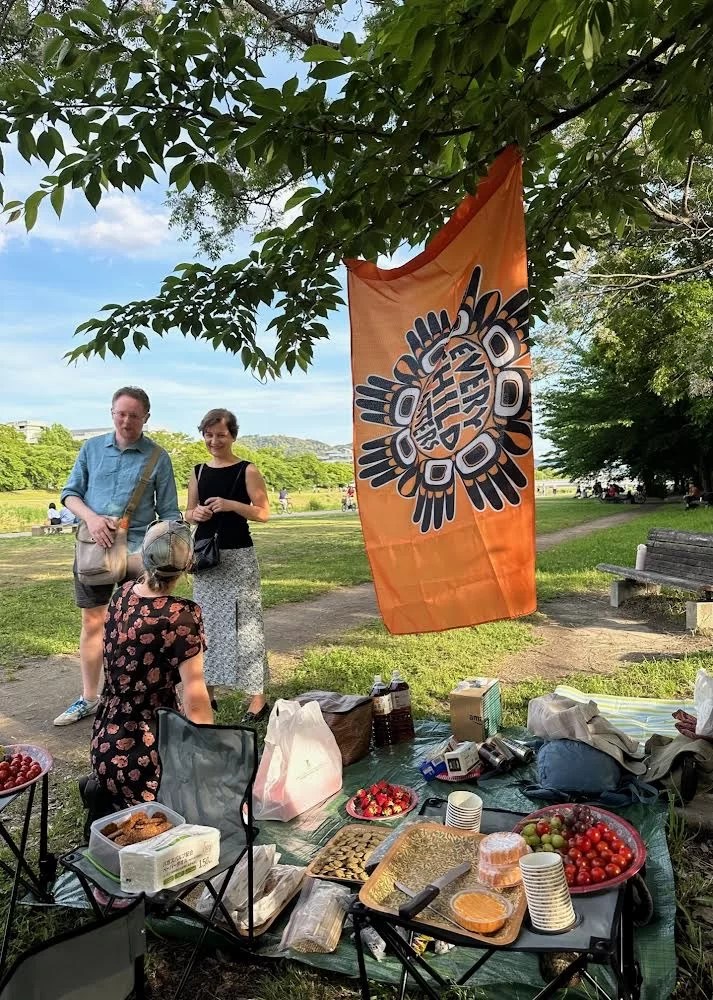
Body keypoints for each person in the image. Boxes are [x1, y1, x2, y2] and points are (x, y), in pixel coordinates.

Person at [55, 387, 180, 727]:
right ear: (112, 412)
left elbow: (169, 513)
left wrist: (175, 549)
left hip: (139, 553)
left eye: (134, 415)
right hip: (93, 548)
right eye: (120, 413)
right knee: (93, 622)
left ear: (146, 418)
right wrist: (92, 519)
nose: (126, 421)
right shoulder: (91, 448)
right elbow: (70, 494)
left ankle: (140, 697)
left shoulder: (157, 457)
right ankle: (89, 698)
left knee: (141, 627)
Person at [89, 519, 212, 813]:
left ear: (143, 556)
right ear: (189, 563)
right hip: (150, 750)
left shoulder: (122, 594)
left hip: (105, 740)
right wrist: (210, 754)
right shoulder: (180, 615)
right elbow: (195, 697)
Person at [185, 408, 271, 723]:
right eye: (208, 434)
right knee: (205, 626)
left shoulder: (247, 470)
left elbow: (263, 513)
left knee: (246, 625)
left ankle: (257, 698)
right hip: (205, 557)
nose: (214, 441)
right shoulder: (198, 472)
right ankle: (208, 691)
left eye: (221, 435)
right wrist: (197, 515)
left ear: (232, 435)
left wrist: (231, 505)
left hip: (238, 557)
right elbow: (188, 511)